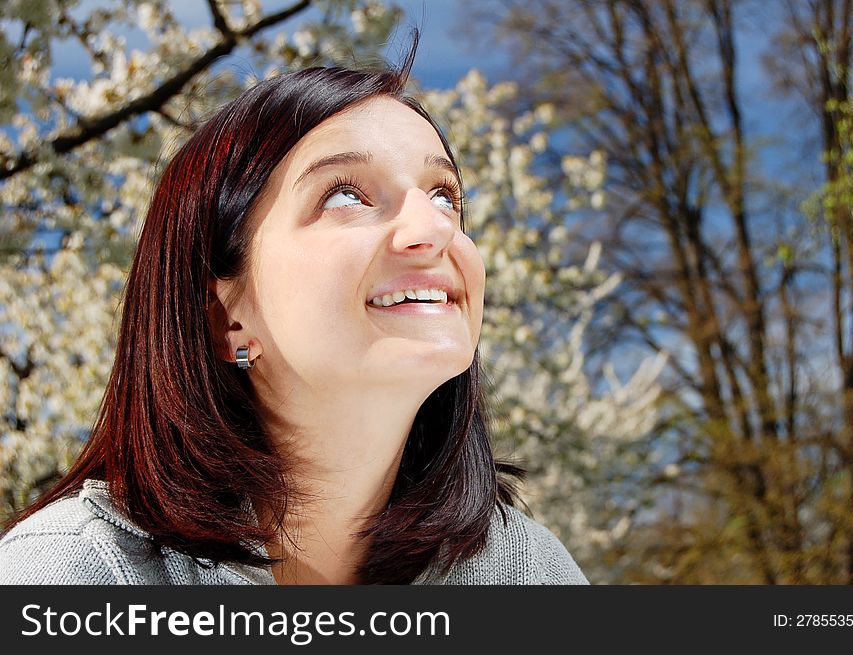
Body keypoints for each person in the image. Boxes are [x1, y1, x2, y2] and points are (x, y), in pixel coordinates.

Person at [0, 42, 587, 585]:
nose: (434, 229)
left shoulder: (526, 572)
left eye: (444, 196)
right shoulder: (69, 575)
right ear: (225, 316)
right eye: (345, 195)